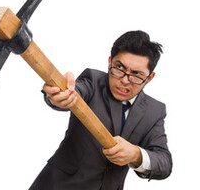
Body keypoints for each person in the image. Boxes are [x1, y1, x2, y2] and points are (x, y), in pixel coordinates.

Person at [30, 30, 172, 189]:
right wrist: (60, 95)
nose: (124, 80)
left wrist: (136, 154)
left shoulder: (155, 111)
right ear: (110, 62)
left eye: (136, 75)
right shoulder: (93, 80)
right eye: (119, 67)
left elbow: (164, 163)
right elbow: (76, 91)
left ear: (149, 78)